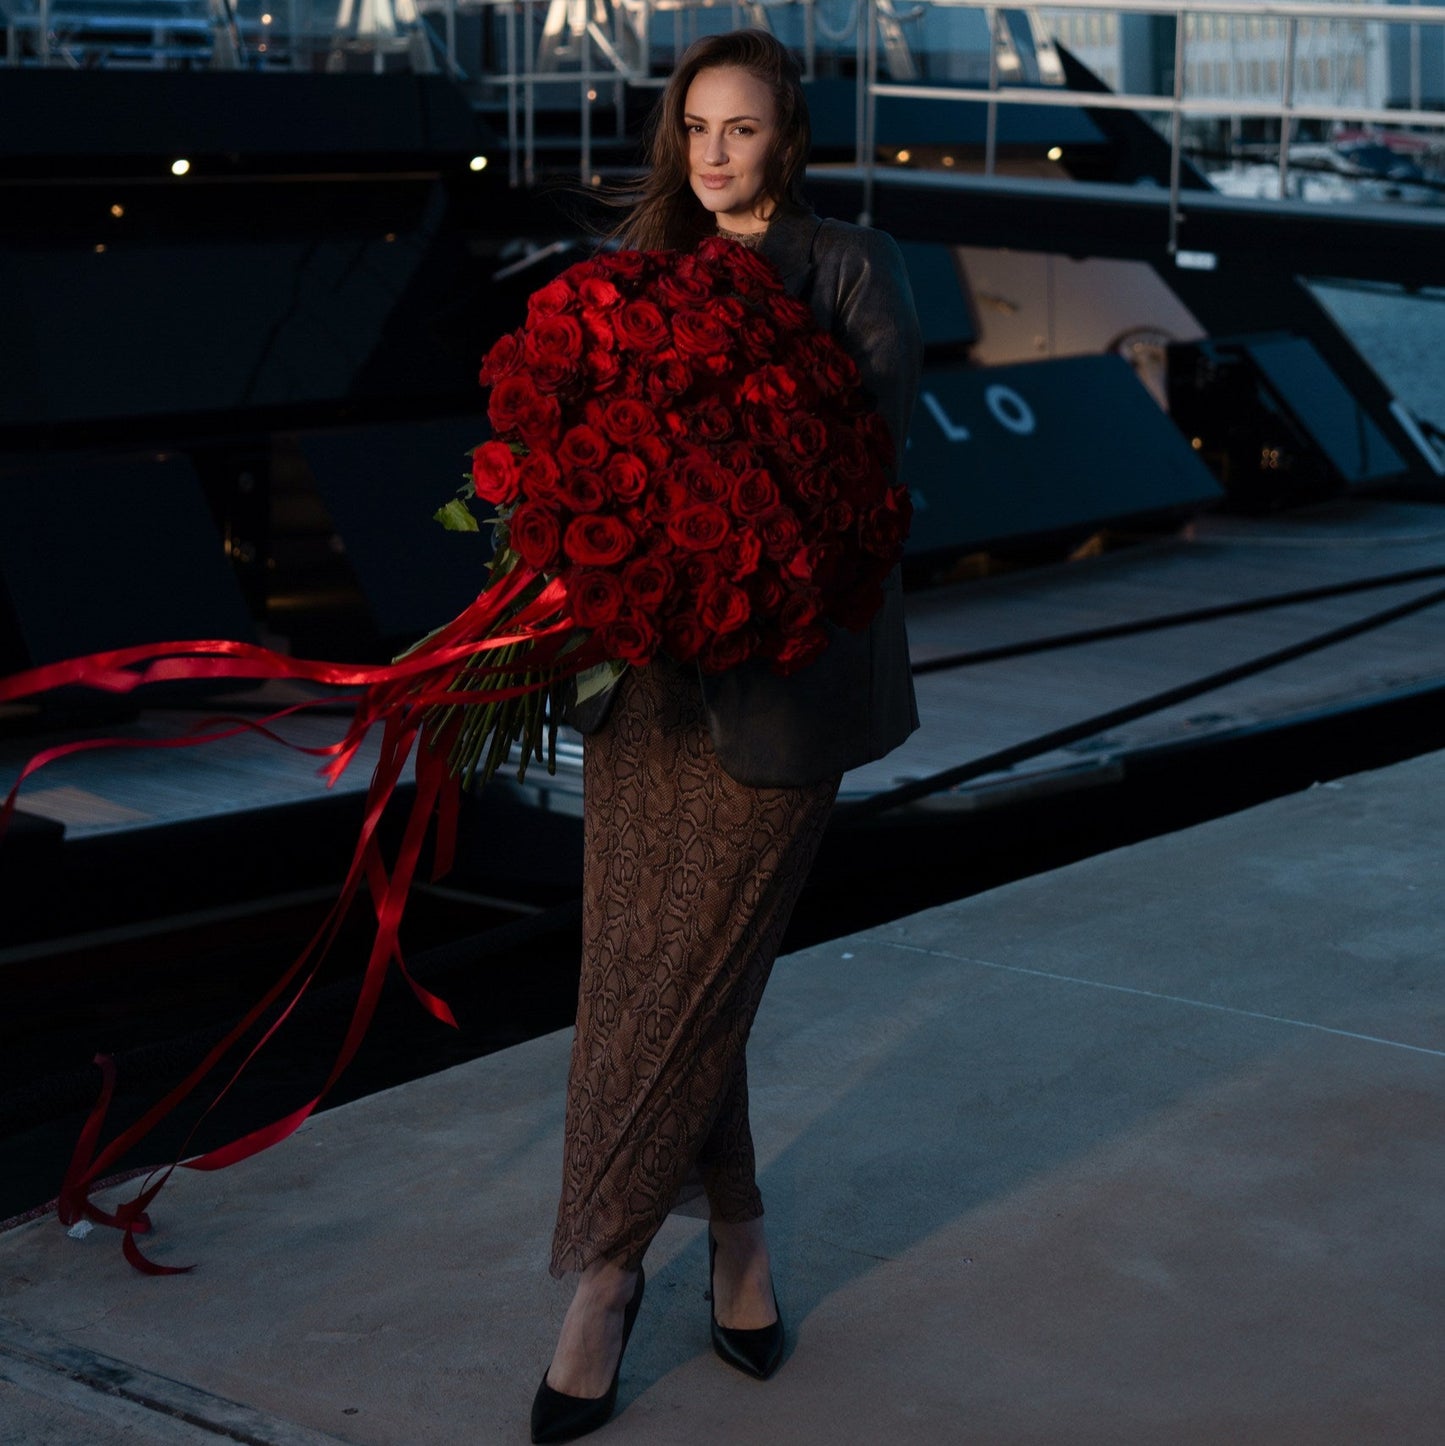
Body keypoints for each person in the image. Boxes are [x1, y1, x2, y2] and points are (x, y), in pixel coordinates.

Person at [530, 27, 923, 1443]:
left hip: (780, 692)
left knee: (684, 980)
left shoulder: (844, 268)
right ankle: (738, 1236)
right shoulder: (628, 270)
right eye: (694, 126)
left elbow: (863, 477)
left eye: (740, 130)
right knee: (655, 969)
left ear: (786, 140)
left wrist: (726, 498)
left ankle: (606, 1278)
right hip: (644, 692)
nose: (711, 153)